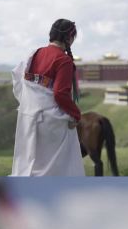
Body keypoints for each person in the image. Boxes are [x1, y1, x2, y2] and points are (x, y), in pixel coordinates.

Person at [11, 18, 85, 176]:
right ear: (69, 38)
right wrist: (76, 114)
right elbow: (60, 93)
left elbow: (18, 77)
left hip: (27, 117)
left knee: (29, 165)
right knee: (56, 169)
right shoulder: (63, 60)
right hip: (51, 123)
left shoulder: (35, 53)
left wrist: (28, 102)